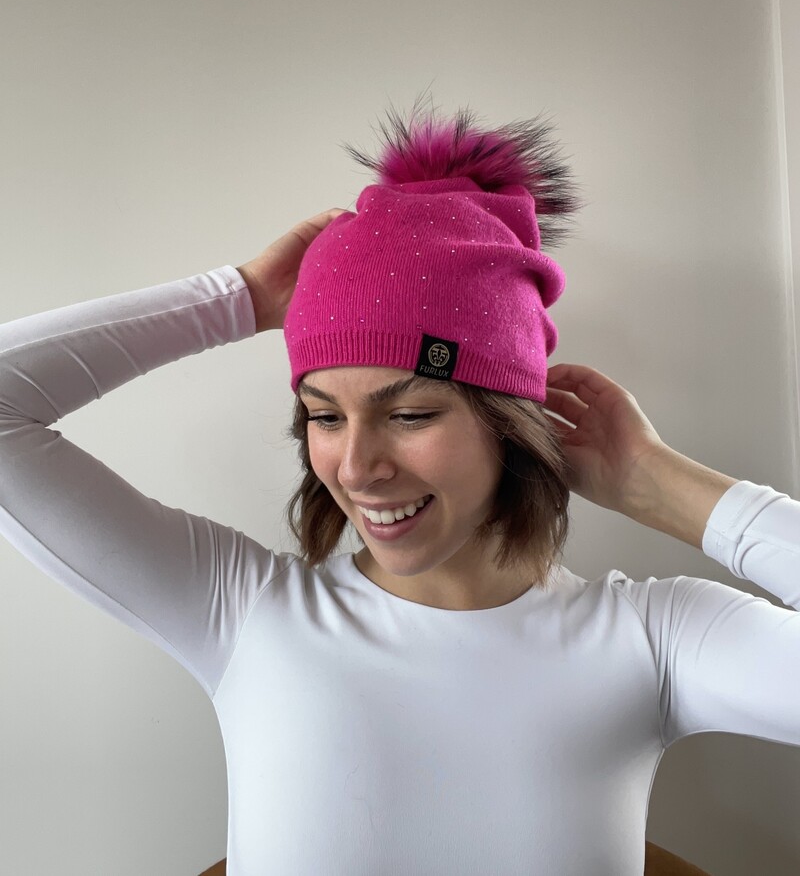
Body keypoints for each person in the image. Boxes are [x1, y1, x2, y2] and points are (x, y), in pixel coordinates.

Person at [0, 98, 798, 876]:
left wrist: (657, 482)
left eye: (410, 412)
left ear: (508, 419)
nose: (355, 466)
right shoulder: (241, 608)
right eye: (323, 416)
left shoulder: (654, 640)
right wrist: (238, 297)